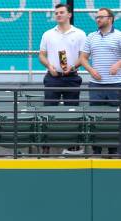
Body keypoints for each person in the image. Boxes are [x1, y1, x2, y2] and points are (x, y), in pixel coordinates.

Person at [80, 7, 121, 154]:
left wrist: (118, 64)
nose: (98, 19)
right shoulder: (91, 36)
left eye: (101, 17)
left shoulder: (119, 36)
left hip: (116, 85)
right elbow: (83, 58)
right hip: (96, 86)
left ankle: (114, 151)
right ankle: (96, 152)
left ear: (110, 19)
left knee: (114, 119)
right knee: (96, 119)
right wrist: (91, 70)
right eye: (97, 17)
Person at [39, 4, 86, 106]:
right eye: (56, 13)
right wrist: (49, 67)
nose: (58, 15)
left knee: (72, 112)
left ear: (69, 15)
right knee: (49, 111)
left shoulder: (80, 34)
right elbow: (42, 55)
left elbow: (83, 57)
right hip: (52, 78)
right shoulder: (47, 34)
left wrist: (72, 67)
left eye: (61, 12)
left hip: (72, 78)